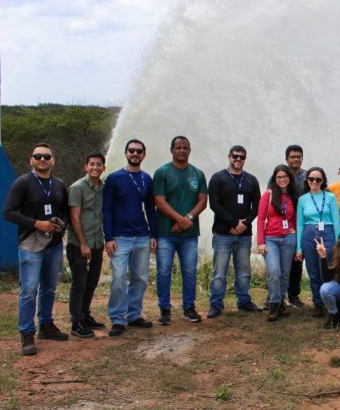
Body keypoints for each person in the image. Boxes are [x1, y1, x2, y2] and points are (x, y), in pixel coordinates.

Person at [3, 143, 70, 355]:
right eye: (38, 156)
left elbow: (66, 211)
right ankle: (27, 334)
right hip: (30, 244)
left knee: (49, 288)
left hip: (54, 245)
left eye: (46, 156)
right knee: (29, 291)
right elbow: (9, 212)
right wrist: (36, 223)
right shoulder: (23, 183)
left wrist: (61, 225)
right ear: (30, 159)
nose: (42, 160)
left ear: (53, 160)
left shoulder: (59, 184)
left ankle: (46, 325)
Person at [103, 139, 158, 337]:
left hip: (142, 236)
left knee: (140, 278)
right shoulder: (114, 178)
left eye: (139, 151)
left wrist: (154, 234)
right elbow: (106, 209)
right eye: (131, 151)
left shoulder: (147, 179)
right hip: (120, 237)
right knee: (118, 278)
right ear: (126, 153)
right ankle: (118, 318)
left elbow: (150, 209)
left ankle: (134, 315)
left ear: (144, 154)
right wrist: (108, 237)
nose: (135, 154)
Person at [154, 136, 208, 324]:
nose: (182, 150)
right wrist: (179, 219)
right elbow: (159, 201)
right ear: (172, 150)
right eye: (178, 147)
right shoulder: (162, 172)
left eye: (185, 147)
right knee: (163, 271)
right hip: (166, 233)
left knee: (190, 270)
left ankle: (189, 307)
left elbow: (202, 200)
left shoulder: (198, 174)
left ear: (190, 150)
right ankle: (164, 309)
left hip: (189, 235)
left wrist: (188, 219)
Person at [207, 145, 262, 317]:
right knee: (219, 272)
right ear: (229, 156)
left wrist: (244, 223)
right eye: (235, 156)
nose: (238, 160)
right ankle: (216, 304)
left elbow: (257, 206)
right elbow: (214, 204)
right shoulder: (218, 178)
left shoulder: (251, 180)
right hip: (223, 233)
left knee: (244, 271)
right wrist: (232, 223)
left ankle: (244, 301)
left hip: (244, 234)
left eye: (242, 157)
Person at [66, 152, 106, 338]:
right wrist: (83, 244)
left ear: (103, 168)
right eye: (92, 164)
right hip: (79, 244)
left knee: (92, 282)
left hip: (97, 242)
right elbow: (74, 217)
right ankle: (76, 322)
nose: (95, 168)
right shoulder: (78, 188)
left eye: (99, 165)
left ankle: (85, 315)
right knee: (79, 283)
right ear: (86, 167)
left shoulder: (102, 188)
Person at [296, 167, 340, 317]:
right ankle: (318, 303)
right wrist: (298, 247)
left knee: (327, 271)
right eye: (311, 179)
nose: (314, 182)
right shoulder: (302, 199)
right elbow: (300, 224)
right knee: (313, 272)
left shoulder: (330, 197)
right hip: (309, 234)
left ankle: (330, 302)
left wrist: (338, 243)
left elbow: (336, 221)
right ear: (307, 181)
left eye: (318, 179)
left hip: (327, 234)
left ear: (323, 181)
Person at [257, 165, 299, 321]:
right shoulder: (268, 195)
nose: (282, 180)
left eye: (285, 177)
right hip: (271, 239)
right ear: (275, 179)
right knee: (274, 271)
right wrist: (261, 242)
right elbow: (260, 219)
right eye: (279, 177)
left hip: (289, 238)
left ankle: (281, 303)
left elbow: (295, 220)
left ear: (289, 178)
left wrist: (297, 244)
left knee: (285, 274)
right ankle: (274, 303)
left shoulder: (293, 196)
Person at [284, 145, 307, 309]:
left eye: (298, 156)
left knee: (297, 260)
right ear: (287, 159)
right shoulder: (280, 175)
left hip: (302, 224)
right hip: (283, 224)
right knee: (279, 262)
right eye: (292, 157)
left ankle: (293, 295)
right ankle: (276, 296)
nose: (296, 159)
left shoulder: (307, 177)